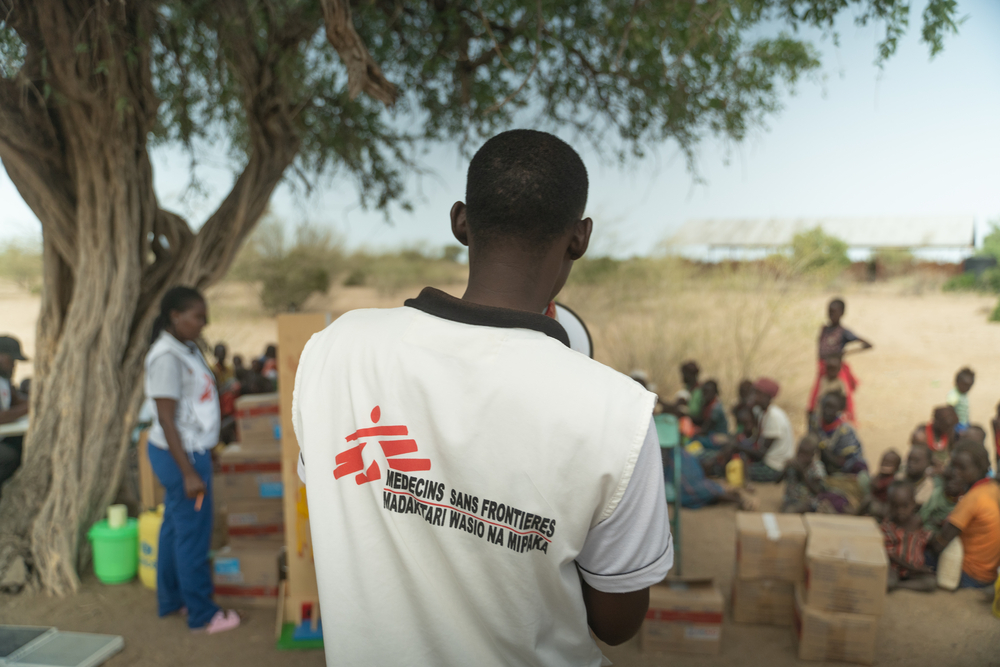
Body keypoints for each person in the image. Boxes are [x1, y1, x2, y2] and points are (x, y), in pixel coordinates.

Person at [292, 130, 672, 665]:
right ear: (580, 238)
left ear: (460, 222)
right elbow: (616, 623)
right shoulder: (618, 414)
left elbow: (346, 505)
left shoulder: (335, 352)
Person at [144, 287, 239, 633]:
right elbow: (167, 419)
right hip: (180, 456)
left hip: (186, 451)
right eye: (197, 316)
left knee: (174, 529)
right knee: (192, 535)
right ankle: (202, 613)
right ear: (175, 316)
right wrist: (188, 472)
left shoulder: (184, 349)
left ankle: (171, 600)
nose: (204, 323)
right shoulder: (166, 357)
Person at [928, 440, 1000, 589]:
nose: (955, 472)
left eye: (962, 468)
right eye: (954, 466)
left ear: (980, 468)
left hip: (967, 574)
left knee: (918, 554)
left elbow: (938, 546)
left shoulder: (972, 498)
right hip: (988, 574)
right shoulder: (992, 487)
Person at [813, 392, 869, 514]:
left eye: (832, 407)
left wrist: (821, 446)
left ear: (839, 410)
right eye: (825, 406)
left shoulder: (845, 431)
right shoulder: (819, 425)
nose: (827, 410)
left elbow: (841, 463)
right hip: (830, 472)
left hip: (847, 473)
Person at [735, 378, 795, 483]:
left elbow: (760, 453)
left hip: (775, 467)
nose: (754, 396)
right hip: (768, 461)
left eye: (758, 393)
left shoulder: (774, 417)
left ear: (768, 397)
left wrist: (736, 446)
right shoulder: (763, 412)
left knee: (736, 469)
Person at [881, 481, 936, 592]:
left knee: (931, 583)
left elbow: (928, 539)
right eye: (895, 506)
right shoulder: (888, 527)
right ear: (889, 506)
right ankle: (896, 584)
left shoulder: (918, 523)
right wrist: (917, 568)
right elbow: (891, 555)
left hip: (915, 572)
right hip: (895, 569)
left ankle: (901, 586)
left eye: (905, 506)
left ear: (913, 504)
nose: (900, 511)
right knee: (888, 582)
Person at [0, 336, 30, 499]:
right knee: (9, 457)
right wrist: (31, 406)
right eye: (11, 360)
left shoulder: (4, 379)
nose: (14, 365)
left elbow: (16, 400)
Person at [807, 353, 857, 426]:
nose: (831, 372)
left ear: (839, 369)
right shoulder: (823, 381)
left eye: (834, 369)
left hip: (835, 412)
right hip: (823, 410)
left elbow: (845, 398)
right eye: (829, 369)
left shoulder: (840, 383)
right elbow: (819, 396)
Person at [781, 435, 826, 513]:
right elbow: (777, 480)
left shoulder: (817, 468)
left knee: (790, 511)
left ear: (812, 454)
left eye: (805, 453)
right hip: (791, 499)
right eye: (799, 452)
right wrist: (785, 469)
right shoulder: (793, 463)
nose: (801, 455)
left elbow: (817, 491)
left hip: (808, 502)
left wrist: (802, 472)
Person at [919, 465, 962, 532]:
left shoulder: (963, 502)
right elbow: (923, 514)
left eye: (956, 482)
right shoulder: (937, 494)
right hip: (928, 530)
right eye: (948, 480)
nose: (951, 484)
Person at [865, 449, 902, 521]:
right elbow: (872, 484)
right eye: (884, 462)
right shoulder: (880, 476)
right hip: (876, 502)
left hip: (885, 508)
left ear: (896, 467)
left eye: (889, 463)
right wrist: (879, 473)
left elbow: (877, 486)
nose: (885, 464)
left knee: (871, 503)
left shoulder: (892, 480)